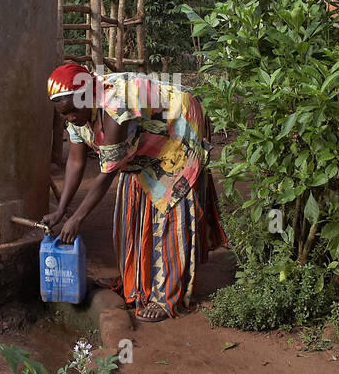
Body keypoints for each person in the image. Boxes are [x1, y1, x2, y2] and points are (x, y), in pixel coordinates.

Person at [42, 62, 226, 322]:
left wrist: (77, 218)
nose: (70, 117)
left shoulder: (114, 107)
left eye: (72, 111)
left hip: (177, 128)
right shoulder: (75, 112)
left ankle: (167, 297)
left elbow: (107, 173)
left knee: (170, 210)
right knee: (133, 208)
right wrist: (62, 210)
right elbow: (75, 161)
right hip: (142, 141)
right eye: (63, 114)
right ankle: (137, 281)